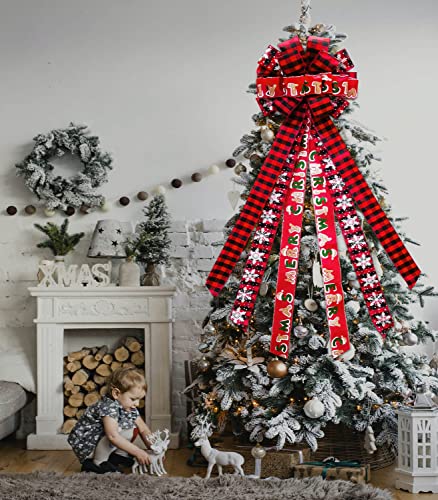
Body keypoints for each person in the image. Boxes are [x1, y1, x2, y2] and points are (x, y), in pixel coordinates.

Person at [68, 367, 153, 473]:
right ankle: (98, 463)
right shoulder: (108, 407)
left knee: (131, 429)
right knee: (116, 433)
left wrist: (153, 447)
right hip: (87, 443)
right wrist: (137, 451)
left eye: (139, 399)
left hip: (101, 439)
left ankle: (118, 456)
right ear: (116, 394)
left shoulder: (129, 407)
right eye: (133, 399)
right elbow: (112, 436)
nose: (137, 404)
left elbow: (143, 429)